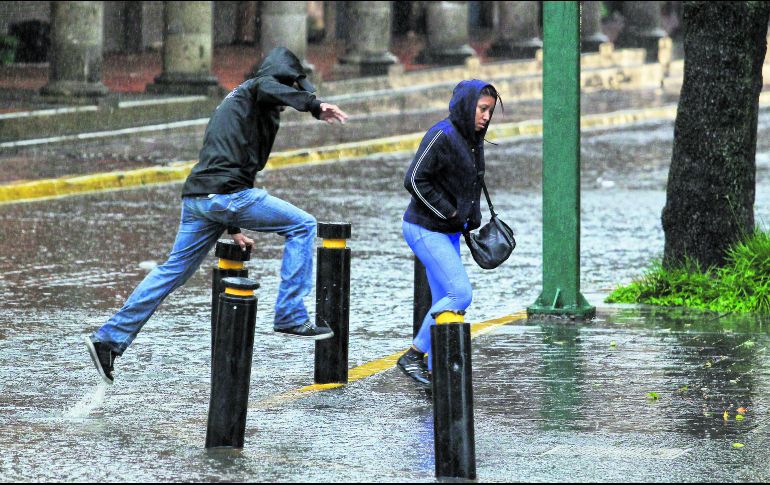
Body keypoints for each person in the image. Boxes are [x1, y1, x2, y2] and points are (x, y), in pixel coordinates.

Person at [84, 47, 349, 385]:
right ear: (283, 81)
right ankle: (289, 314)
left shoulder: (239, 103)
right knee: (303, 225)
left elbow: (233, 158)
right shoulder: (257, 89)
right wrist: (314, 105)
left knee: (170, 273)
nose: (290, 98)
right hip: (226, 196)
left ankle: (108, 341)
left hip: (200, 200)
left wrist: (233, 228)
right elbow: (268, 88)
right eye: (293, 89)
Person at [397, 79, 499, 389]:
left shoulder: (473, 138)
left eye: (490, 111)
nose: (486, 117)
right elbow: (414, 179)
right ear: (468, 106)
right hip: (425, 229)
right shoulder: (442, 134)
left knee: (445, 300)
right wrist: (450, 212)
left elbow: (467, 185)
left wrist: (469, 219)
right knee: (460, 294)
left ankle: (433, 368)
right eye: (482, 109)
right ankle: (413, 356)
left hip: (449, 233)